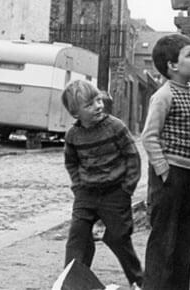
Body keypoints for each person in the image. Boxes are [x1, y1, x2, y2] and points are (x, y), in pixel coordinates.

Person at [61, 79, 143, 290]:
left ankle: (139, 281)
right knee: (77, 237)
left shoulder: (115, 127)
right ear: (75, 113)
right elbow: (72, 162)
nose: (98, 106)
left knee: (119, 238)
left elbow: (132, 157)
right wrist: (78, 187)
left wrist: (127, 189)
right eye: (89, 105)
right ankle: (72, 282)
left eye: (98, 100)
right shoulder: (73, 135)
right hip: (86, 194)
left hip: (114, 193)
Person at [140, 33, 190, 290]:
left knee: (185, 241)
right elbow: (149, 137)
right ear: (172, 66)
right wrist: (164, 171)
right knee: (163, 242)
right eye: (189, 55)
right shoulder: (163, 96)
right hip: (170, 178)